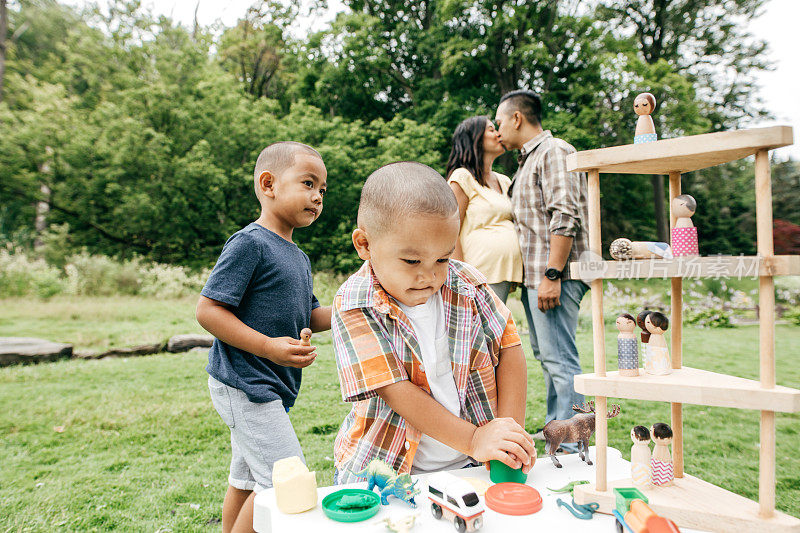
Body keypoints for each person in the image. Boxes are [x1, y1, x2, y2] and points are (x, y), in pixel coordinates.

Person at [332, 161, 535, 484]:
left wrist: (505, 434)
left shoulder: (468, 284)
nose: (429, 276)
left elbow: (509, 346)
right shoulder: (355, 302)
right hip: (388, 472)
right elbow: (396, 390)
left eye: (442, 258)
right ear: (365, 245)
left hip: (470, 466)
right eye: (412, 261)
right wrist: (473, 439)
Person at [196, 141, 332, 533]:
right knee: (285, 483)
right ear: (268, 184)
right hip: (244, 383)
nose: (317, 196)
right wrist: (267, 346)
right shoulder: (250, 243)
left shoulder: (298, 256)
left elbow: (310, 315)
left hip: (268, 386)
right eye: (308, 183)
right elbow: (208, 309)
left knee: (247, 480)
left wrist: (353, 307)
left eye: (323, 190)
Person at [494, 90, 590, 447]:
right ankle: (557, 429)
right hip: (538, 278)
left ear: (517, 118)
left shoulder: (554, 152)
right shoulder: (527, 160)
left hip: (555, 276)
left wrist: (553, 275)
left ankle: (574, 438)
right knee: (548, 358)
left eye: (500, 122)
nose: (498, 130)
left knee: (561, 360)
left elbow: (565, 215)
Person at [445, 116, 523, 303]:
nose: (498, 134)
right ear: (474, 138)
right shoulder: (462, 177)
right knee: (482, 331)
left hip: (505, 272)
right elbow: (450, 231)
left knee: (495, 329)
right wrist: (462, 277)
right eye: (490, 129)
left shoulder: (504, 181)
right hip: (478, 274)